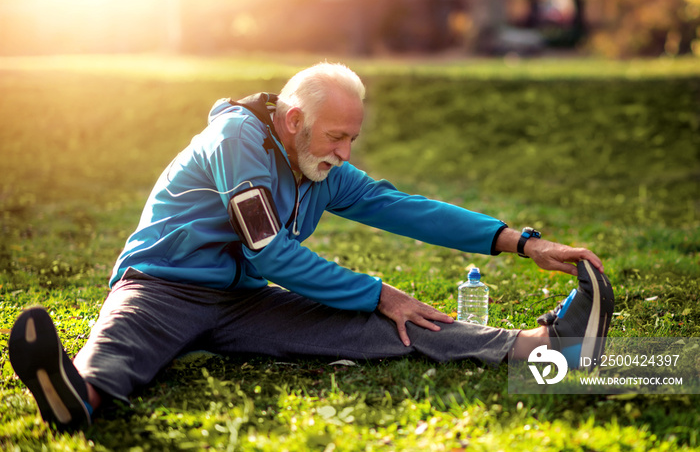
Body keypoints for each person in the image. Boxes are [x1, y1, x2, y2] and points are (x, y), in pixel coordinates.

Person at [9, 62, 614, 431]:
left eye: (352, 137)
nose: (345, 152)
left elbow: (404, 208)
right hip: (162, 285)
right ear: (294, 118)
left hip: (244, 300)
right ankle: (75, 395)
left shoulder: (321, 166)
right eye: (336, 135)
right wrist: (379, 291)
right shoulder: (237, 138)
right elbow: (269, 251)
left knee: (397, 326)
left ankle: (542, 348)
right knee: (122, 346)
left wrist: (521, 243)